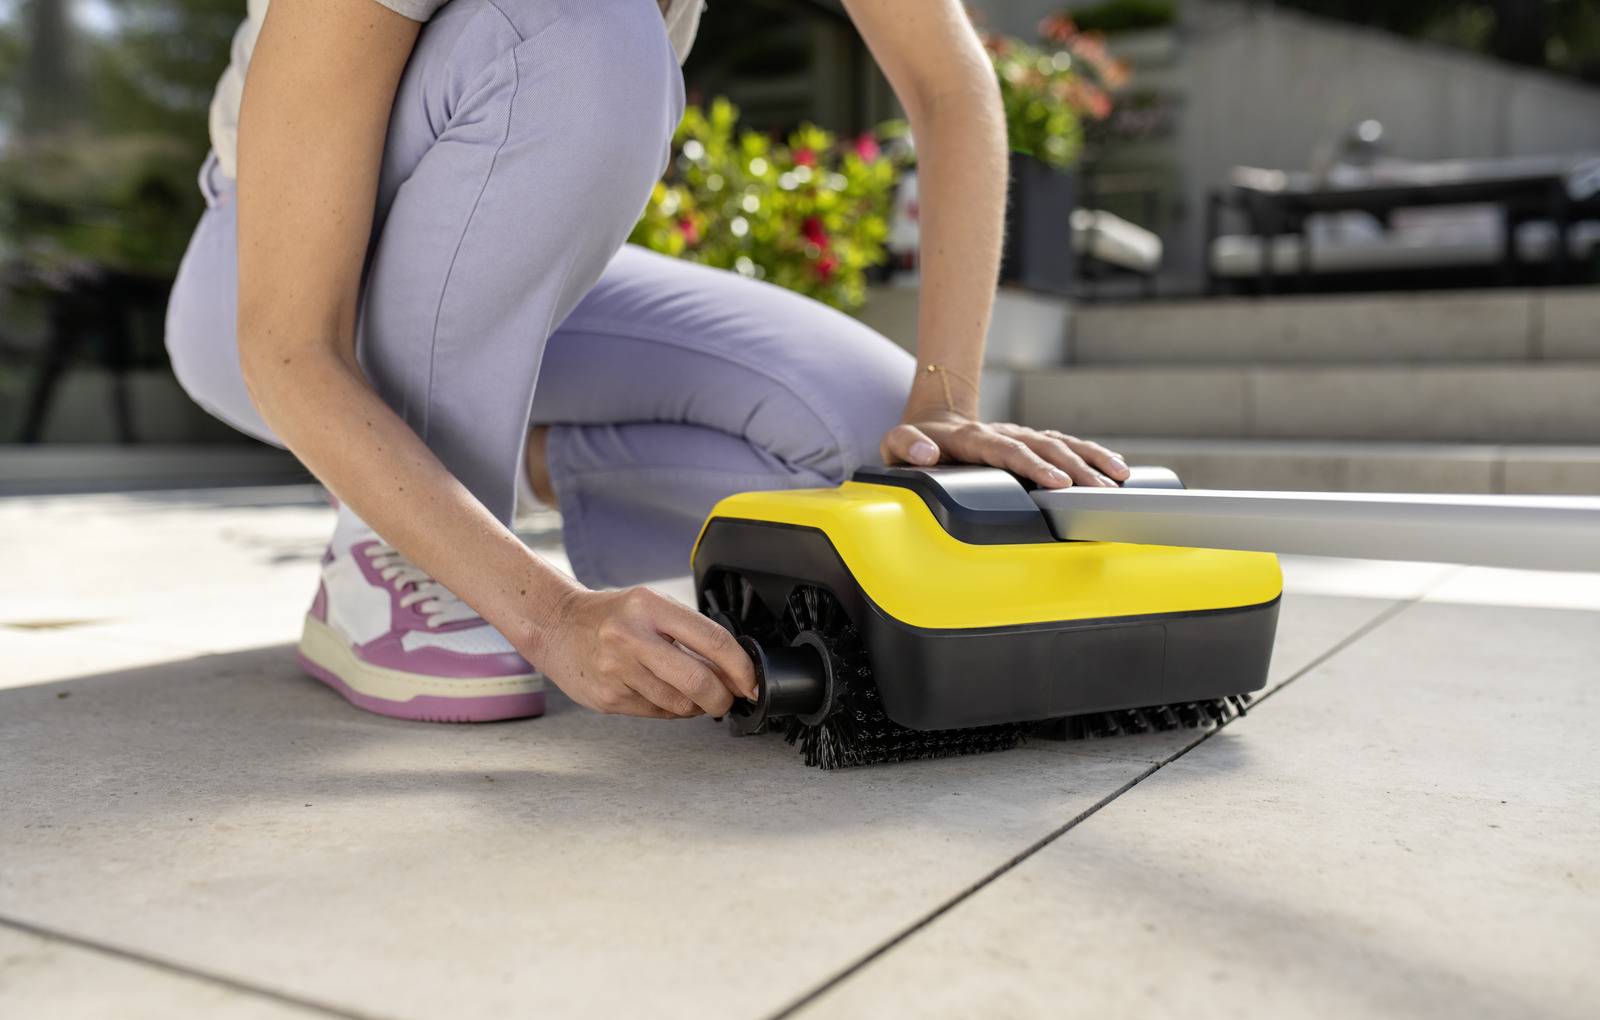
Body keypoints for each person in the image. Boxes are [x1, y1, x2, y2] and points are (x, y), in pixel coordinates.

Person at [164, 0, 1129, 727]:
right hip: (270, 286)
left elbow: (948, 83)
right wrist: (548, 615)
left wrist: (945, 405)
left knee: (864, 444)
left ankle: (519, 461)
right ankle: (388, 558)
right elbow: (287, 342)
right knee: (583, 29)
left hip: (513, 280)